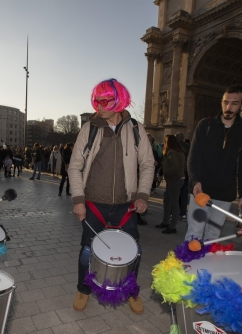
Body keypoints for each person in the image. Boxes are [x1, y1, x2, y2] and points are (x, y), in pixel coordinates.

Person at [68, 78, 154, 313]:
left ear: (119, 101)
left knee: (134, 250)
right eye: (97, 99)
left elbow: (147, 163)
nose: (99, 105)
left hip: (126, 205)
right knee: (87, 249)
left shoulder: (136, 128)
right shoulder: (90, 128)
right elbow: (75, 165)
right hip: (94, 203)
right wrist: (78, 200)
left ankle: (131, 292)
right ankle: (83, 289)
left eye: (105, 100)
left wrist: (143, 195)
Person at [185, 84, 242, 241]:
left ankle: (207, 265)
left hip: (225, 192)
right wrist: (195, 181)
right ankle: (188, 265)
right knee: (194, 233)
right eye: (225, 102)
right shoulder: (205, 125)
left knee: (214, 236)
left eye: (234, 103)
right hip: (201, 190)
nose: (228, 107)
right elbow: (193, 157)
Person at [155, 135, 186, 234]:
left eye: (165, 141)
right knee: (168, 201)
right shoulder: (180, 152)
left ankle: (172, 226)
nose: (164, 143)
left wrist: (166, 172)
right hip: (177, 179)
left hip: (174, 180)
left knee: (173, 203)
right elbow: (183, 167)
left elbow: (175, 167)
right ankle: (166, 222)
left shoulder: (171, 152)